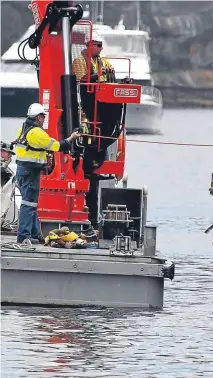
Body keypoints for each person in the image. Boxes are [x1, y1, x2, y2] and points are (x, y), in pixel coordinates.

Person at [14, 103, 81, 244]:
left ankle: (34, 234)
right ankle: (23, 236)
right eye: (43, 116)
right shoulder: (37, 132)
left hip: (21, 171)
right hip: (31, 173)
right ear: (38, 117)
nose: (44, 119)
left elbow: (32, 148)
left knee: (31, 204)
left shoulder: (22, 130)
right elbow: (57, 146)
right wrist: (71, 138)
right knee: (28, 204)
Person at [72, 32, 117, 237]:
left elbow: (110, 76)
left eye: (100, 45)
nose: (100, 48)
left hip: (103, 111)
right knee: (88, 171)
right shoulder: (80, 61)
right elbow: (82, 80)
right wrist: (96, 78)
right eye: (96, 45)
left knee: (96, 173)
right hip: (88, 109)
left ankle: (93, 218)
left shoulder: (104, 61)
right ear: (89, 45)